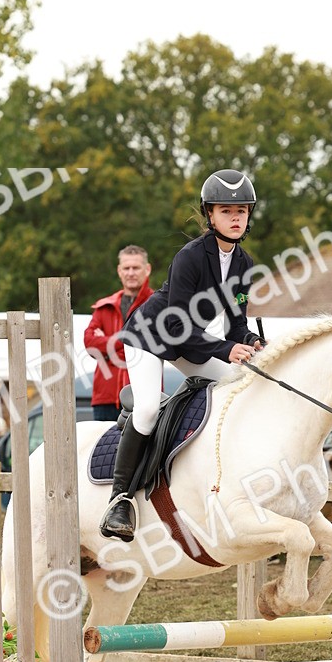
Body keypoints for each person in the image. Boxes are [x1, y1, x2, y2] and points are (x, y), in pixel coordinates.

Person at [99, 168, 263, 541]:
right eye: (226, 211)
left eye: (242, 211)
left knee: (239, 386)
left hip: (189, 342)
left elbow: (235, 328)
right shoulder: (190, 257)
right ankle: (119, 499)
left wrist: (251, 342)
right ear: (210, 215)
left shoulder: (244, 265)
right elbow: (176, 327)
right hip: (149, 336)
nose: (235, 218)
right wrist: (225, 349)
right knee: (145, 410)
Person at [83, 245, 153, 422]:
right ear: (119, 271)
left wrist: (107, 344)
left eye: (136, 268)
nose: (131, 273)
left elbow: (156, 343)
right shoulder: (104, 306)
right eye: (126, 268)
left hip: (144, 397)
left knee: (145, 450)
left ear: (147, 269)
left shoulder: (157, 304)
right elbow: (90, 343)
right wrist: (129, 342)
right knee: (103, 449)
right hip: (105, 399)